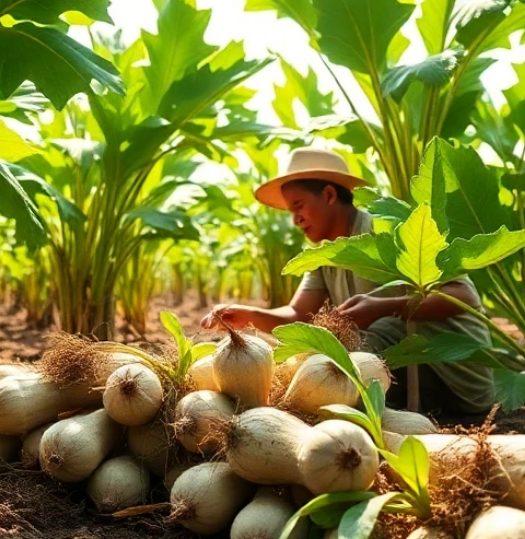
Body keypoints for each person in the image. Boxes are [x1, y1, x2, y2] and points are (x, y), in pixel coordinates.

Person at [199, 148, 495, 416]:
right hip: (402, 378)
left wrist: (381, 307)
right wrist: (247, 315)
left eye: (299, 206)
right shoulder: (323, 254)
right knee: (314, 346)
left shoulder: (388, 228)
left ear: (329, 195)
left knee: (372, 332)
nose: (295, 219)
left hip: (458, 383)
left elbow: (464, 295)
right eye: (291, 211)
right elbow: (298, 315)